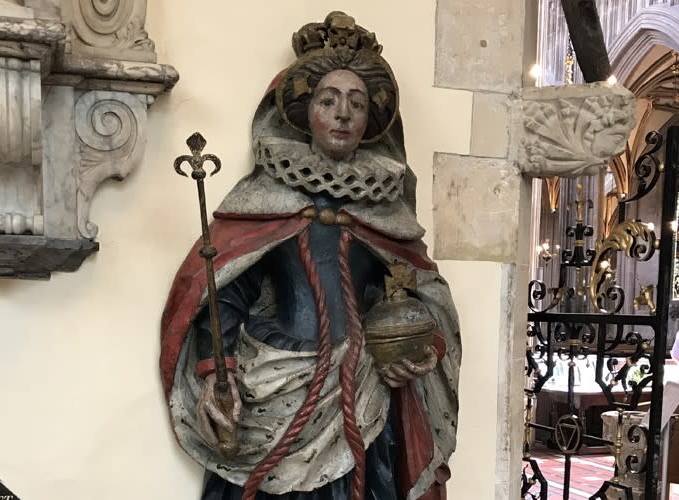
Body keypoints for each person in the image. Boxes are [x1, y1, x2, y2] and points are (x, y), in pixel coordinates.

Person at [160, 12, 461, 500]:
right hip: (275, 384)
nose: (343, 113)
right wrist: (219, 369)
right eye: (328, 100)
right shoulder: (265, 200)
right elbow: (224, 289)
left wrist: (417, 346)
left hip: (360, 388)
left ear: (371, 121)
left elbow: (419, 294)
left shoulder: (388, 212)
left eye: (357, 103)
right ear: (303, 112)